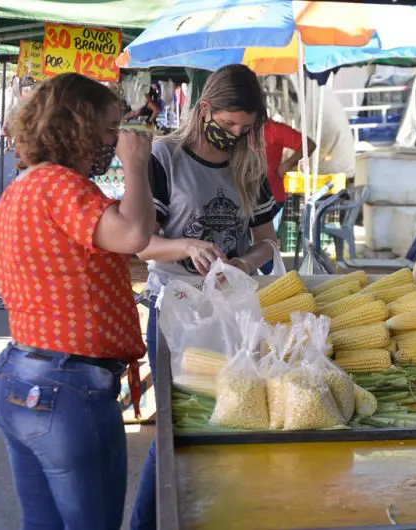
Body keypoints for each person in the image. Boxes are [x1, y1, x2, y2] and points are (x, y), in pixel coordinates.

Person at [0, 73, 154, 530]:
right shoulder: (63, 186)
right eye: (109, 129)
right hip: (66, 386)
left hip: (20, 374)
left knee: (42, 524)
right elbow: (135, 234)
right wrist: (137, 165)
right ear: (76, 127)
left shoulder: (22, 188)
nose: (115, 141)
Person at [130, 64, 278, 530]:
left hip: (233, 311)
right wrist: (187, 246)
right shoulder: (164, 156)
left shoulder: (250, 164)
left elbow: (269, 241)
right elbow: (141, 242)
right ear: (205, 108)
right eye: (229, 123)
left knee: (231, 418)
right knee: (178, 429)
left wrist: (245, 264)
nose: (235, 134)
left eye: (245, 127)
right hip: (174, 310)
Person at [264, 117, 316, 232]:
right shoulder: (237, 128)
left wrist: (286, 166)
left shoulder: (273, 128)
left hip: (271, 197)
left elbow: (309, 145)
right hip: (244, 198)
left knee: (266, 243)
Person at [3, 76, 37, 151]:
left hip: (23, 116)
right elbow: (10, 104)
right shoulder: (35, 87)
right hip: (25, 116)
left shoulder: (17, 87)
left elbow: (10, 104)